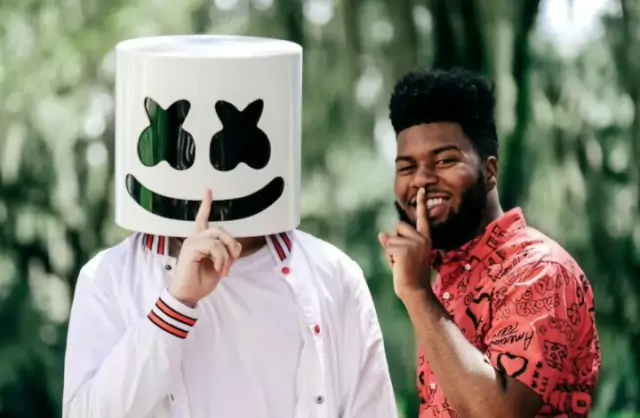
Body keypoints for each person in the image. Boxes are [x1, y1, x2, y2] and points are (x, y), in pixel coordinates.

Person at [62, 35, 397, 418]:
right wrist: (175, 306)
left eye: (236, 149)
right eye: (176, 148)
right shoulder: (108, 278)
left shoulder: (334, 278)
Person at [378, 67, 601, 417]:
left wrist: (417, 295)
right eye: (407, 167)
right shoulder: (445, 280)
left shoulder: (540, 271)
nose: (421, 180)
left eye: (445, 160)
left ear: (490, 171)